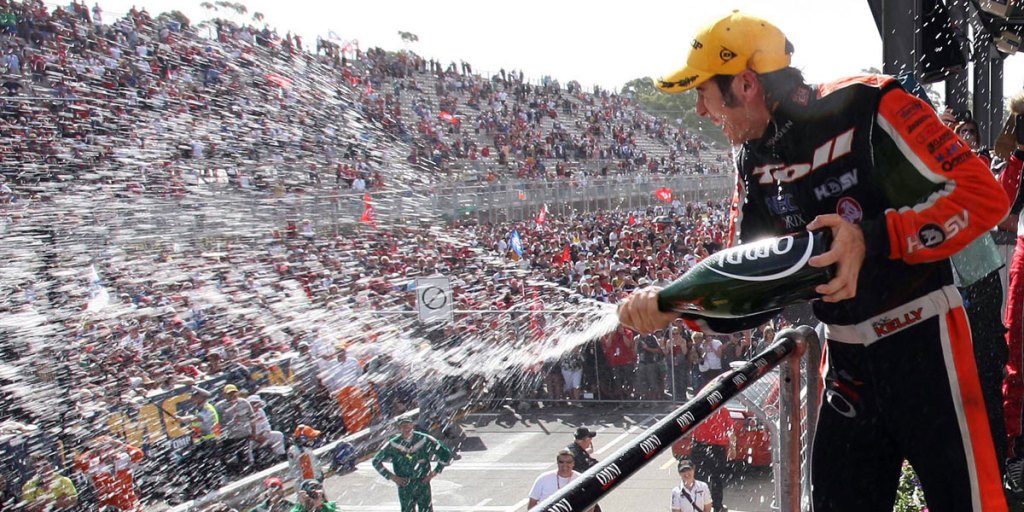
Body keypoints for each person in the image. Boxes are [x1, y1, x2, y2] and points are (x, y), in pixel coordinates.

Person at [619, 10, 1009, 512]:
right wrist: (677, 306)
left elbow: (985, 200)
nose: (699, 110)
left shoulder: (871, 101)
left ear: (744, 84)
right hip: (847, 361)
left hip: (927, 343)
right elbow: (759, 289)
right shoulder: (754, 159)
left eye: (702, 92)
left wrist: (872, 238)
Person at [372, 417, 453, 512]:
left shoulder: (424, 439)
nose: (406, 428)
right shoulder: (393, 444)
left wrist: (434, 472)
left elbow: (446, 454)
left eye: (408, 425)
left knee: (426, 510)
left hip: (422, 483)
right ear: (399, 428)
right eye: (403, 426)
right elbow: (376, 461)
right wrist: (393, 477)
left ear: (412, 425)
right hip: (405, 485)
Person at [73, 435, 145, 511]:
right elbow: (78, 464)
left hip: (130, 503)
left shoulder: (123, 459)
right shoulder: (95, 465)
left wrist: (120, 445)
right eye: (103, 448)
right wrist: (92, 451)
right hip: (108, 506)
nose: (108, 452)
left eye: (109, 447)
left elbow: (139, 454)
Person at [219, 383, 256, 475]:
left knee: (245, 454)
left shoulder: (244, 402)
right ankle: (235, 473)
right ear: (224, 395)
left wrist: (253, 432)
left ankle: (248, 472)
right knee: (230, 457)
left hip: (244, 434)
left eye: (234, 393)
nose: (232, 395)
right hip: (230, 436)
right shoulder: (220, 406)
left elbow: (252, 418)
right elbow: (218, 423)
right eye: (229, 393)